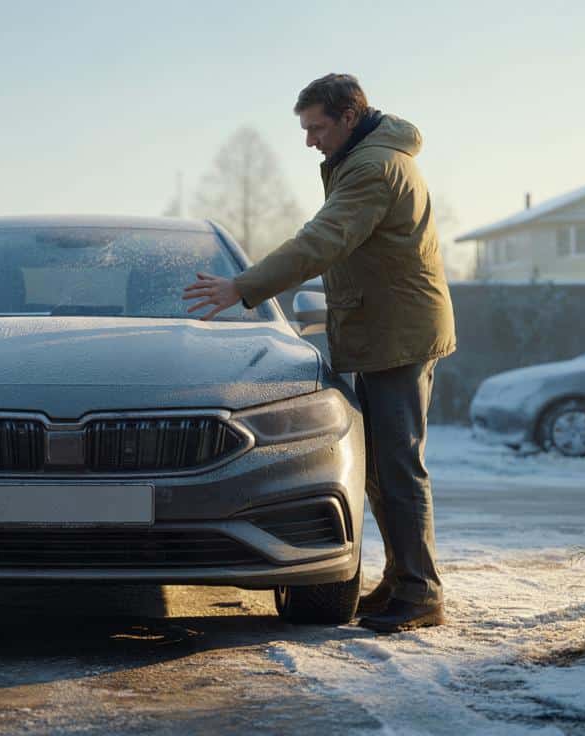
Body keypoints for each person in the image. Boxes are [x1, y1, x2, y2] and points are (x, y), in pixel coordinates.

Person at [182, 73, 455, 633]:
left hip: (398, 337)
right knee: (382, 467)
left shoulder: (373, 168)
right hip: (387, 331)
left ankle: (422, 591)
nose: (310, 140)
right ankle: (404, 579)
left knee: (398, 466)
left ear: (349, 118)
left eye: (316, 127)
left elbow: (321, 240)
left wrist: (244, 286)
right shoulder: (368, 158)